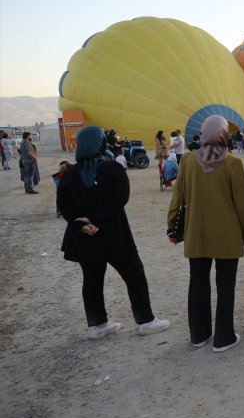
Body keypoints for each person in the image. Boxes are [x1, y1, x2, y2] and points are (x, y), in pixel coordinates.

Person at [58, 126, 169, 340]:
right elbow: (120, 199)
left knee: (91, 280)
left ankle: (98, 324)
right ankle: (146, 321)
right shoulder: (112, 169)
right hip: (114, 235)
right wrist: (97, 219)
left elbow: (64, 206)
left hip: (84, 238)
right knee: (134, 275)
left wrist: (82, 224)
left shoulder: (69, 174)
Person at [167, 115, 244, 352]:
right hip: (227, 235)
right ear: (224, 134)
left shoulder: (189, 161)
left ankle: (198, 334)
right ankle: (223, 338)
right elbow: (242, 205)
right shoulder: (233, 163)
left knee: (197, 282)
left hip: (197, 233)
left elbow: (178, 197)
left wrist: (172, 224)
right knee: (225, 287)